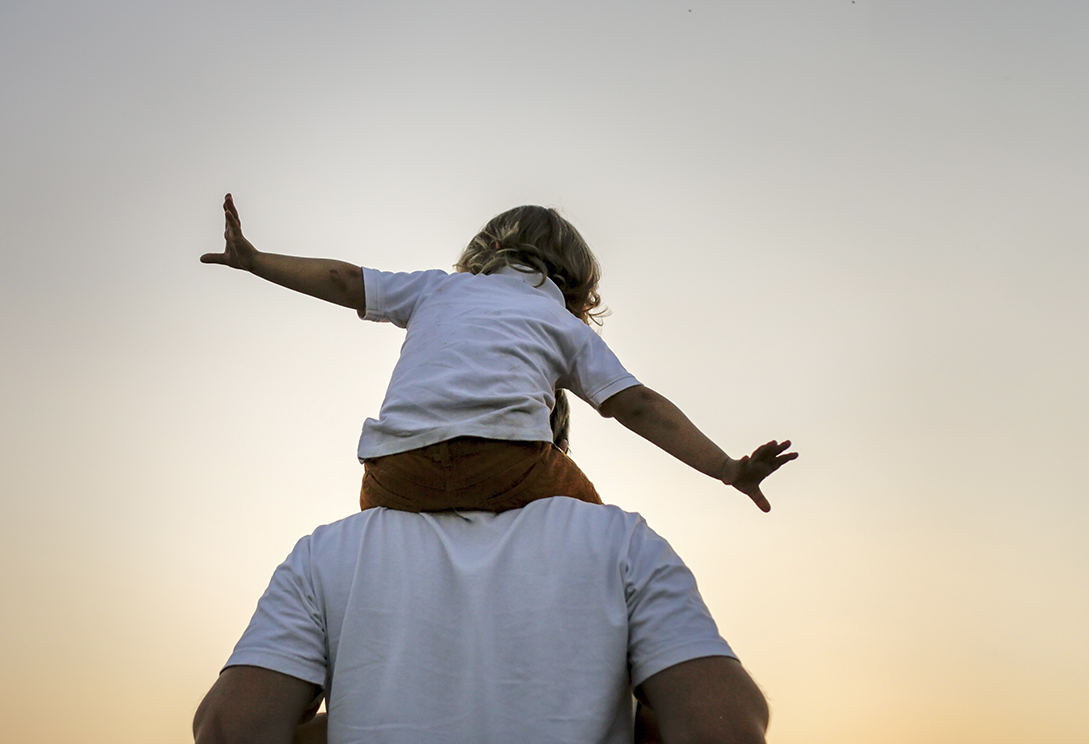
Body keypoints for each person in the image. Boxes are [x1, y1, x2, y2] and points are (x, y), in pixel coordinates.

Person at [190, 497, 770, 744]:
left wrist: (368, 706)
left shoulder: (327, 555)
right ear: (552, 440)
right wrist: (614, 715)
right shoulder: (621, 543)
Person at [200, 194, 797, 513]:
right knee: (599, 536)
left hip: (392, 475)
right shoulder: (560, 322)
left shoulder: (439, 287)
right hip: (507, 463)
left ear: (484, 248)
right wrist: (728, 469)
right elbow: (637, 406)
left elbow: (344, 279)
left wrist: (257, 262)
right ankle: (641, 699)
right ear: (575, 278)